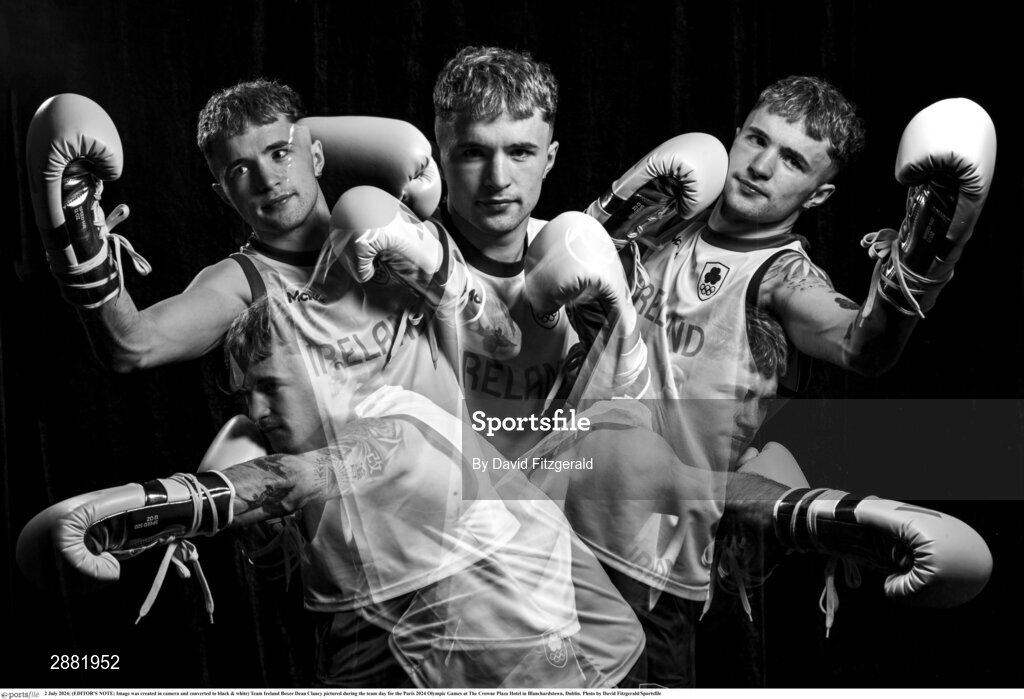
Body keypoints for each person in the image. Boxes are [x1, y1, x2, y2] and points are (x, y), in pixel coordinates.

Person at [576, 76, 995, 685]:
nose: (761, 166)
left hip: (648, 571)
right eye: (756, 139)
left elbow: (862, 345)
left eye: (792, 159)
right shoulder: (661, 226)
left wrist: (934, 238)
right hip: (545, 517)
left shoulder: (783, 279)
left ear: (818, 195)